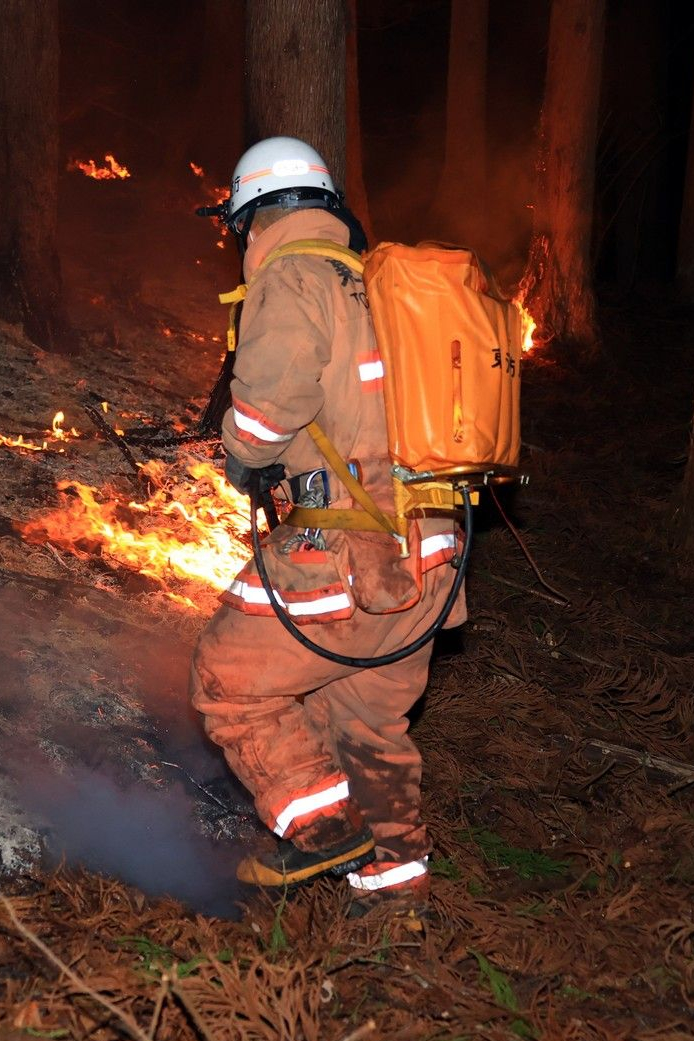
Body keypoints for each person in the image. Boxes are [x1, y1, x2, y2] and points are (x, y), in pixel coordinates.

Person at [191, 136, 466, 918]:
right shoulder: (384, 286)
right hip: (435, 555)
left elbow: (263, 415)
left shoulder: (293, 277)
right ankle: (393, 905)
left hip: (352, 550)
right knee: (366, 725)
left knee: (226, 680)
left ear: (252, 218)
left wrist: (241, 453)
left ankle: (321, 828)